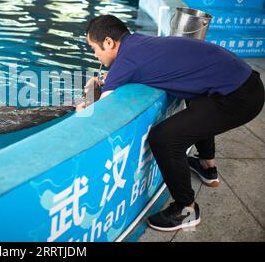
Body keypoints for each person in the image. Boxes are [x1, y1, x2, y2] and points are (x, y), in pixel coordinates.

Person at [76, 14, 264, 231]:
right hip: (246, 83)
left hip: (238, 98)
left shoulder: (125, 60)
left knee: (164, 138)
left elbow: (100, 113)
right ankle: (207, 167)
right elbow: (136, 71)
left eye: (94, 49)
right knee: (196, 97)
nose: (96, 55)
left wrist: (87, 97)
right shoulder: (138, 43)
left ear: (108, 42)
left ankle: (186, 209)